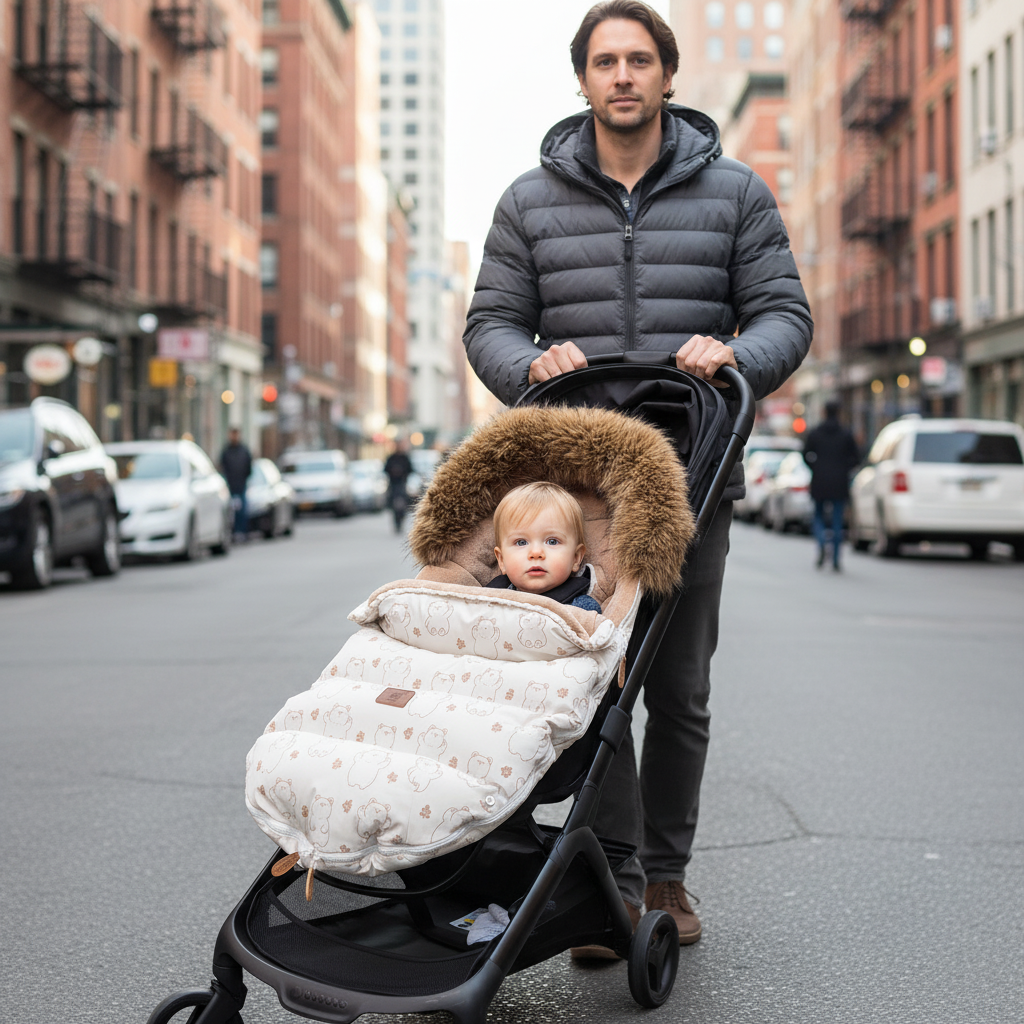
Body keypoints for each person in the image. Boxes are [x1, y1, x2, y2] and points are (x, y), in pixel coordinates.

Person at [463, 0, 813, 953]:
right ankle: (609, 881)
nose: (622, 75)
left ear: (667, 75)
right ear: (582, 79)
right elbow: (491, 323)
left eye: (639, 60)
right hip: (576, 494)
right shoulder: (528, 200)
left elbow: (784, 314)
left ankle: (667, 878)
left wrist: (734, 355)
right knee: (596, 683)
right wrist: (526, 364)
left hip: (694, 478)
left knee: (678, 689)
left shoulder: (735, 192)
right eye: (605, 61)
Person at [486, 482, 602, 612]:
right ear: (501, 560)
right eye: (521, 542)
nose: (536, 553)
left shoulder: (582, 609)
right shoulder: (485, 601)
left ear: (575, 558)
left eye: (552, 541)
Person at [802, 401, 860, 571]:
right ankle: (835, 558)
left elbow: (805, 454)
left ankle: (821, 543)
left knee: (818, 516)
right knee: (837, 521)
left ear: (824, 412)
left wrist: (815, 468)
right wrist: (844, 469)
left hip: (820, 481)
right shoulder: (846, 434)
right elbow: (856, 457)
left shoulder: (815, 433)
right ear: (839, 413)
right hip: (839, 482)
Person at [219, 427, 252, 541]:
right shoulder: (226, 451)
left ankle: (242, 532)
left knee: (242, 511)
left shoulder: (244, 450)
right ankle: (232, 532)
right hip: (230, 487)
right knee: (230, 511)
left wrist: (244, 479)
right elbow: (222, 467)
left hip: (241, 486)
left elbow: (249, 468)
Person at [383, 440, 414, 533]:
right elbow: (385, 469)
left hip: (402, 484)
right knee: (393, 504)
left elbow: (411, 469)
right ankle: (396, 522)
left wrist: (403, 473)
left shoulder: (405, 458)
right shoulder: (391, 458)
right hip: (393, 484)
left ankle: (401, 519)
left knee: (403, 503)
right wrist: (393, 472)